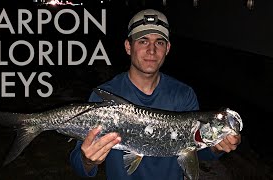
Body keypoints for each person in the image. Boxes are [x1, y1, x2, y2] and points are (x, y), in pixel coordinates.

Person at [69, 9, 241, 180]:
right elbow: (78, 163)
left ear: (167, 49)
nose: (152, 50)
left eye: (159, 42)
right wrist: (88, 160)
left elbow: (193, 153)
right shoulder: (105, 94)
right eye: (143, 41)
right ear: (128, 47)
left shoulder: (183, 95)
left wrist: (216, 148)